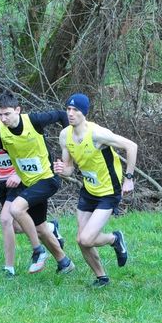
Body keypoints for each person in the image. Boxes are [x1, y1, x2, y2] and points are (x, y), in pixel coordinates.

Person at [0, 91, 74, 275]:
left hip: (48, 178)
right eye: (0, 115)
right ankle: (64, 262)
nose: (3, 119)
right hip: (29, 183)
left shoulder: (34, 120)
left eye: (7, 114)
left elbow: (62, 115)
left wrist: (68, 147)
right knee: (40, 228)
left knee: (16, 209)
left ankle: (38, 251)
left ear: (18, 110)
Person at [54, 93, 136, 286]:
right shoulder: (65, 135)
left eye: (75, 110)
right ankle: (102, 277)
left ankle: (114, 239)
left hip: (108, 191)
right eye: (68, 109)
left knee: (86, 238)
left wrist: (129, 179)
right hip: (89, 189)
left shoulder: (97, 134)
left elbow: (131, 146)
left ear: (84, 113)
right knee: (81, 240)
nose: (70, 113)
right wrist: (62, 170)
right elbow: (69, 168)